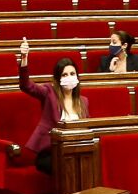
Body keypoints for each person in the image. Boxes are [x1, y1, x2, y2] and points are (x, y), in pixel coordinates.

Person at [16, 39, 88, 175]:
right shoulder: (49, 93)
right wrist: (24, 58)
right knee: (68, 165)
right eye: (65, 74)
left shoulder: (83, 101)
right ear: (58, 79)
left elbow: (87, 129)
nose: (69, 77)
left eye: (72, 74)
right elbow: (26, 85)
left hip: (74, 151)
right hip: (50, 153)